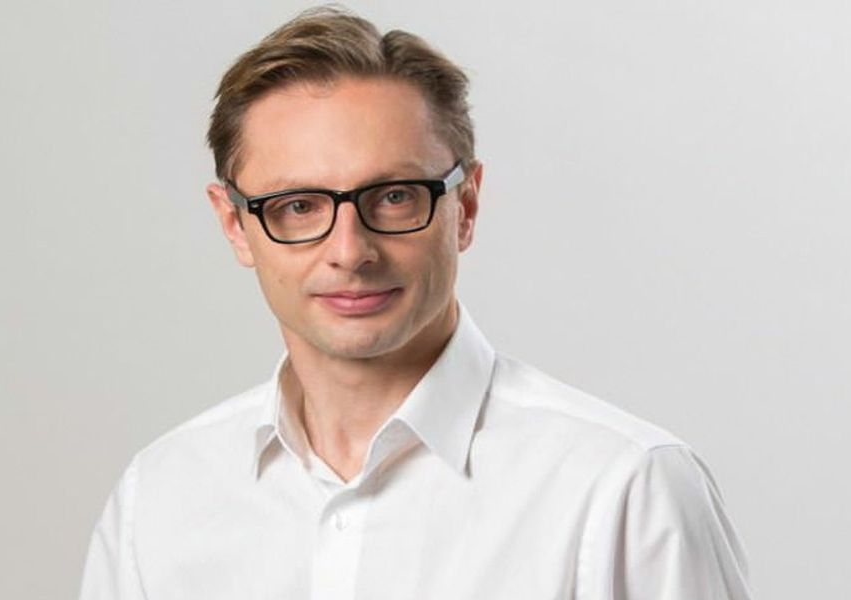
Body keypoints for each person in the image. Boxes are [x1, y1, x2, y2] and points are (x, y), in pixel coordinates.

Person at [78, 6, 752, 599]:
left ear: (466, 207)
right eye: (299, 205)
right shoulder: (159, 498)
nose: (350, 250)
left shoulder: (623, 487)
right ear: (235, 225)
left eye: (395, 196)